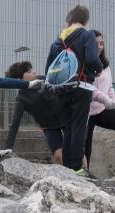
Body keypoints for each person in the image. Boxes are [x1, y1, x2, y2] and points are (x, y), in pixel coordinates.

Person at [45, 4, 103, 178]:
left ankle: (68, 167)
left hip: (61, 88)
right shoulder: (86, 35)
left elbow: (49, 67)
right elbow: (93, 59)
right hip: (81, 85)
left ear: (68, 20)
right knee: (79, 127)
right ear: (85, 20)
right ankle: (76, 167)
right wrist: (98, 69)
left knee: (69, 127)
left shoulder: (58, 39)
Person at [0, 61, 66, 165]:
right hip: (49, 127)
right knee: (58, 156)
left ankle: (85, 176)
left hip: (66, 118)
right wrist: (8, 147)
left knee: (76, 150)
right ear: (20, 79)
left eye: (32, 69)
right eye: (29, 71)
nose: (34, 72)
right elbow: (14, 124)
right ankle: (68, 179)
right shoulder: (21, 99)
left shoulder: (44, 79)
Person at [84, 30, 115, 168]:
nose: (100, 46)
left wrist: (112, 99)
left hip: (103, 109)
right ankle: (85, 175)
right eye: (96, 43)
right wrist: (106, 100)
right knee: (86, 145)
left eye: (102, 43)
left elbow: (109, 87)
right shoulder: (84, 64)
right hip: (87, 112)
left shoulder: (106, 65)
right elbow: (90, 89)